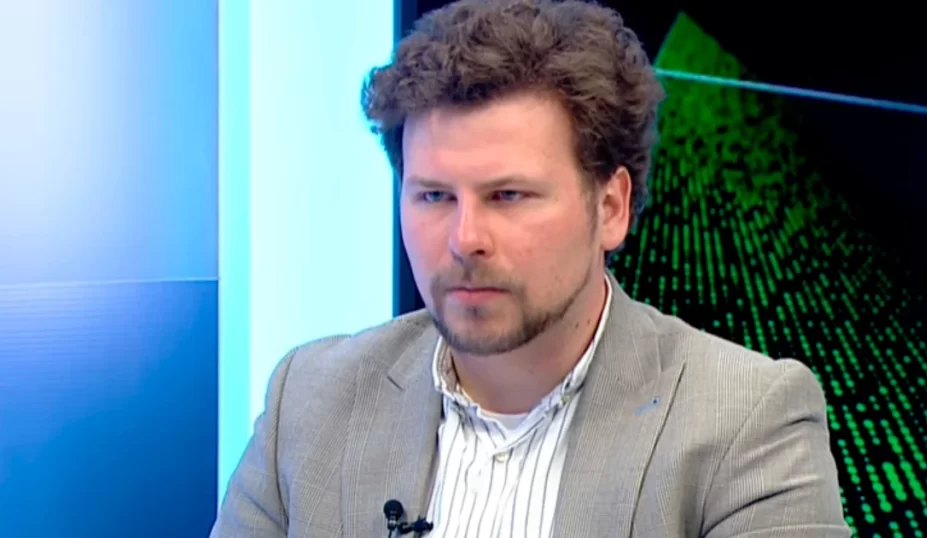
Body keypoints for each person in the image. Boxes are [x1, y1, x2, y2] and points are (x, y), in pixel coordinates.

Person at [211, 0, 850, 536]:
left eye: (508, 196)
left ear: (611, 207)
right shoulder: (309, 400)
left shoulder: (749, 423)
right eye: (434, 196)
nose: (465, 239)